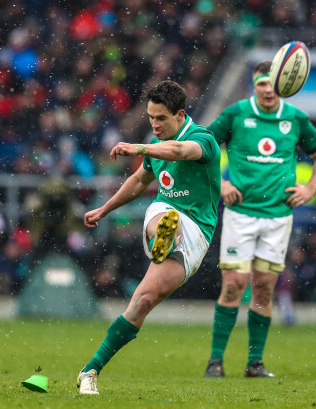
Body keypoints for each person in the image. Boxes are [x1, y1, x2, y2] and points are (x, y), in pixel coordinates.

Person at [76, 80, 221, 395]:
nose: (154, 124)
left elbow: (182, 151)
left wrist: (139, 147)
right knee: (165, 215)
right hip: (165, 211)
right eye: (151, 118)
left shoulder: (203, 139)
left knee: (142, 302)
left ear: (180, 115)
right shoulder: (158, 144)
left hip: (199, 231)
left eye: (161, 118)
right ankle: (91, 374)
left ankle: (88, 369)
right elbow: (139, 181)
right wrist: (104, 209)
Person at [203, 61, 316, 378]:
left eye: (272, 83)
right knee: (234, 285)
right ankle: (215, 361)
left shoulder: (295, 118)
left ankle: (255, 363)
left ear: (284, 84)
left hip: (278, 218)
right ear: (253, 85)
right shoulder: (235, 114)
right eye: (261, 83)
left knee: (263, 288)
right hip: (241, 216)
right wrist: (223, 184)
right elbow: (203, 149)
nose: (267, 89)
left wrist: (310, 187)